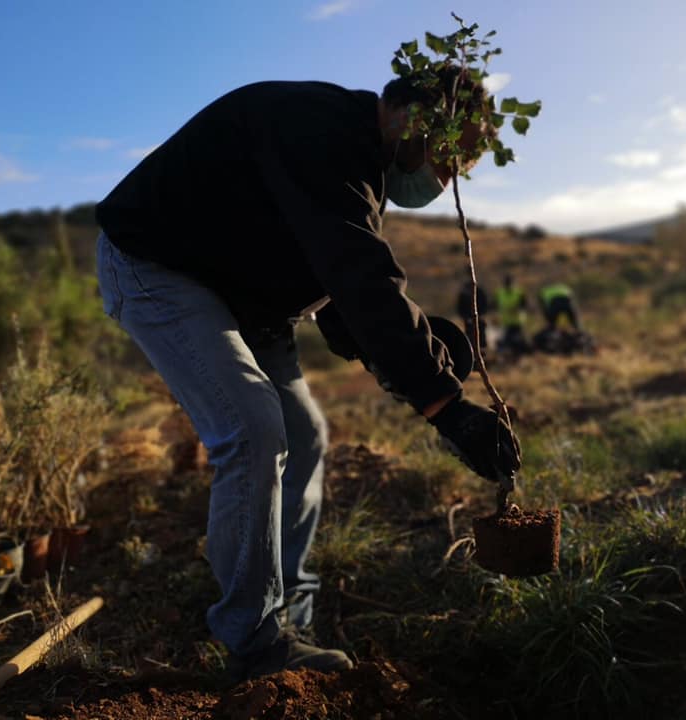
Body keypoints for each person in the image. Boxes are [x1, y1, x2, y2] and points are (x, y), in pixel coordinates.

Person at [94, 67, 521, 680]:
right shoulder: (320, 130)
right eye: (449, 159)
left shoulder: (360, 163)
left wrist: (422, 349)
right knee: (252, 430)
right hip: (157, 265)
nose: (445, 179)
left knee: (304, 436)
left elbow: (341, 294)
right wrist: (445, 407)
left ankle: (284, 607)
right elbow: (358, 273)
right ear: (415, 119)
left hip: (246, 299)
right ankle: (257, 643)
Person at [534, 282, 588, 354]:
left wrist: (550, 321)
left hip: (554, 305)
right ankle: (583, 341)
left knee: (552, 327)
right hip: (569, 303)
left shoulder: (543, 292)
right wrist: (576, 322)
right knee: (577, 328)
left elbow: (544, 308)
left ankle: (552, 343)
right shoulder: (565, 288)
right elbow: (574, 305)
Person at [494, 273, 529, 354]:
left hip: (517, 322)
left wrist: (516, 309)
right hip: (505, 323)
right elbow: (494, 306)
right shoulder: (499, 293)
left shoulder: (519, 293)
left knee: (518, 341)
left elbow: (525, 306)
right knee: (506, 342)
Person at [455, 278, 490, 352]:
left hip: (479, 319)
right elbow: (460, 307)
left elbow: (485, 304)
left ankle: (481, 351)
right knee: (470, 336)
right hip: (469, 321)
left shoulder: (480, 292)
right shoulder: (464, 293)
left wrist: (481, 315)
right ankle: (471, 350)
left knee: (481, 336)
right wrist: (466, 317)